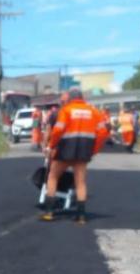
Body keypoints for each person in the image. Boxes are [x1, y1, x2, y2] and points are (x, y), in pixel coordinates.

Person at [40, 86, 109, 225]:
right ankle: (81, 216)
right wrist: (94, 149)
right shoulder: (94, 111)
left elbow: (58, 130)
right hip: (83, 152)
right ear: (82, 97)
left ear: (70, 98)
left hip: (65, 150)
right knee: (80, 182)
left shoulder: (66, 110)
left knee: (52, 177)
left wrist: (51, 145)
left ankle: (49, 213)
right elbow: (103, 132)